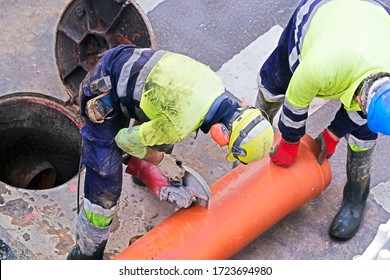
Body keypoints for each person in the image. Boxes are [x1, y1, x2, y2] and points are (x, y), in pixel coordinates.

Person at [67, 44, 274, 259]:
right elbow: (123, 140)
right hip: (104, 90)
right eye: (225, 144)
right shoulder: (179, 124)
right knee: (105, 184)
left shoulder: (215, 84)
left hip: (133, 65)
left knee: (158, 131)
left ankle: (142, 170)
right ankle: (85, 255)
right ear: (223, 131)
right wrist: (160, 160)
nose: (221, 146)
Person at [256, 0, 390, 241]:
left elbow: (364, 113)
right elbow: (296, 102)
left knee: (364, 136)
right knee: (275, 83)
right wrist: (289, 143)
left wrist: (334, 133)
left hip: (375, 21)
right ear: (361, 101)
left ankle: (356, 195)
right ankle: (253, 135)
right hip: (322, 14)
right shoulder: (320, 66)